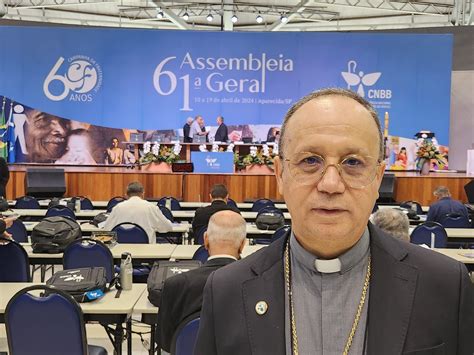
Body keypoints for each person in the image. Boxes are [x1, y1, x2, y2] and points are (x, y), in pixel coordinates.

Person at [195, 88, 473, 355]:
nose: (330, 184)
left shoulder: (445, 286)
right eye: (310, 160)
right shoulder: (225, 291)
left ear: (378, 177)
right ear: (280, 174)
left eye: (352, 163)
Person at [157, 210, 246, 353]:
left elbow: (167, 343)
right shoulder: (255, 285)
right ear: (242, 245)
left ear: (205, 240)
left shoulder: (175, 285)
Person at [102, 181, 173, 243]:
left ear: (126, 195)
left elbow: (106, 230)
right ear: (143, 193)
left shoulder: (118, 208)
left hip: (122, 250)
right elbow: (167, 227)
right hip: (146, 252)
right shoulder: (151, 207)